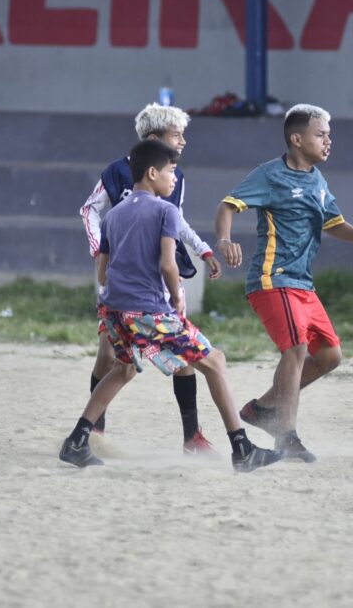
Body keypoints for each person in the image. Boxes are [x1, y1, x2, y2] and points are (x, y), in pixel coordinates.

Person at [60, 140, 282, 472]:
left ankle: (76, 441)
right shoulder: (166, 210)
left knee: (123, 368)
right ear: (152, 173)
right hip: (150, 310)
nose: (174, 178)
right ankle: (242, 448)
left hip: (114, 310)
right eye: (170, 171)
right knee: (216, 362)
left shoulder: (113, 215)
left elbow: (103, 270)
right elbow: (167, 263)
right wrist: (177, 294)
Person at [215, 104, 353, 463]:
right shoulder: (270, 175)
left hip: (303, 286)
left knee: (330, 356)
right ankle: (286, 437)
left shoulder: (317, 180)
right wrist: (226, 241)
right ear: (297, 138)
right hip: (272, 280)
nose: (328, 141)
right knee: (295, 351)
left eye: (328, 135)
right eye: (321, 134)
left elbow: (333, 223)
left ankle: (263, 409)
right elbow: (228, 205)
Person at [79, 103, 220, 454]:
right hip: (124, 280)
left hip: (159, 280)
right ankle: (94, 434)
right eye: (176, 135)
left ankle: (193, 436)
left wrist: (202, 248)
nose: (183, 142)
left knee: (183, 358)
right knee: (110, 358)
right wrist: (101, 251)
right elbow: (89, 211)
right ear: (155, 139)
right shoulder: (116, 172)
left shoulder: (176, 176)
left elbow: (177, 219)